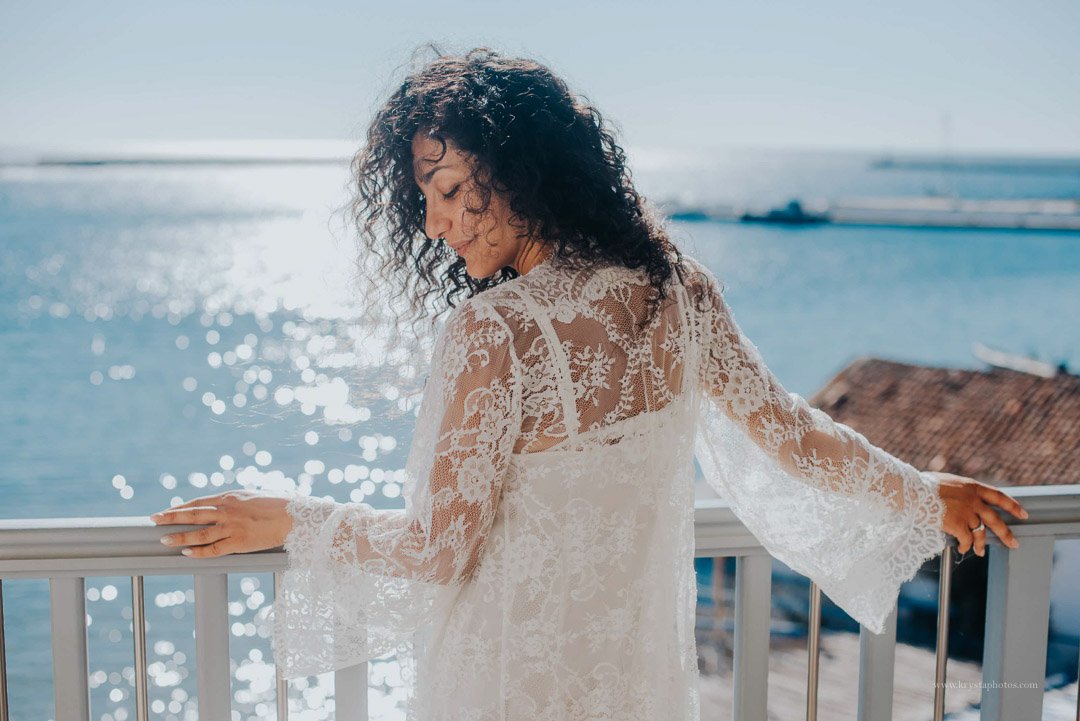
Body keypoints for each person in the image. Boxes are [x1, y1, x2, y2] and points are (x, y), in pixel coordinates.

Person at [150, 46, 1028, 720]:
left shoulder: (494, 330)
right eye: (424, 198)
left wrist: (290, 519)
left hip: (503, 685)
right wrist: (921, 493)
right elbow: (791, 434)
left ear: (524, 171)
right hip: (636, 684)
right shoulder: (680, 288)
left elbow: (436, 548)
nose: (435, 221)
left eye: (452, 189)